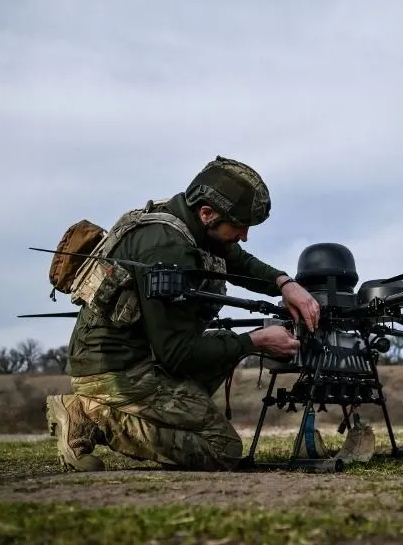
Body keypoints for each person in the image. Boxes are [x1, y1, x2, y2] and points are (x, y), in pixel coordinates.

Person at [46, 156, 321, 472]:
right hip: (115, 371)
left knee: (221, 347)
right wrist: (255, 342)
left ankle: (148, 414)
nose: (244, 235)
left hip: (131, 357)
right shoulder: (169, 251)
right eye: (240, 226)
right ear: (207, 213)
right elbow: (177, 354)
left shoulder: (184, 219)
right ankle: (90, 418)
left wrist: (283, 283)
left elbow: (236, 258)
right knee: (223, 449)